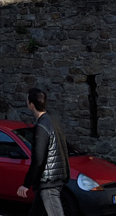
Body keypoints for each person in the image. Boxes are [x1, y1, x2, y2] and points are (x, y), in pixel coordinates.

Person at [16, 87, 70, 216]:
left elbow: (38, 160)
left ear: (31, 105)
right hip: (53, 178)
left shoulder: (41, 126)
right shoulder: (53, 122)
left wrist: (26, 184)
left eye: (27, 100)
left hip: (49, 181)